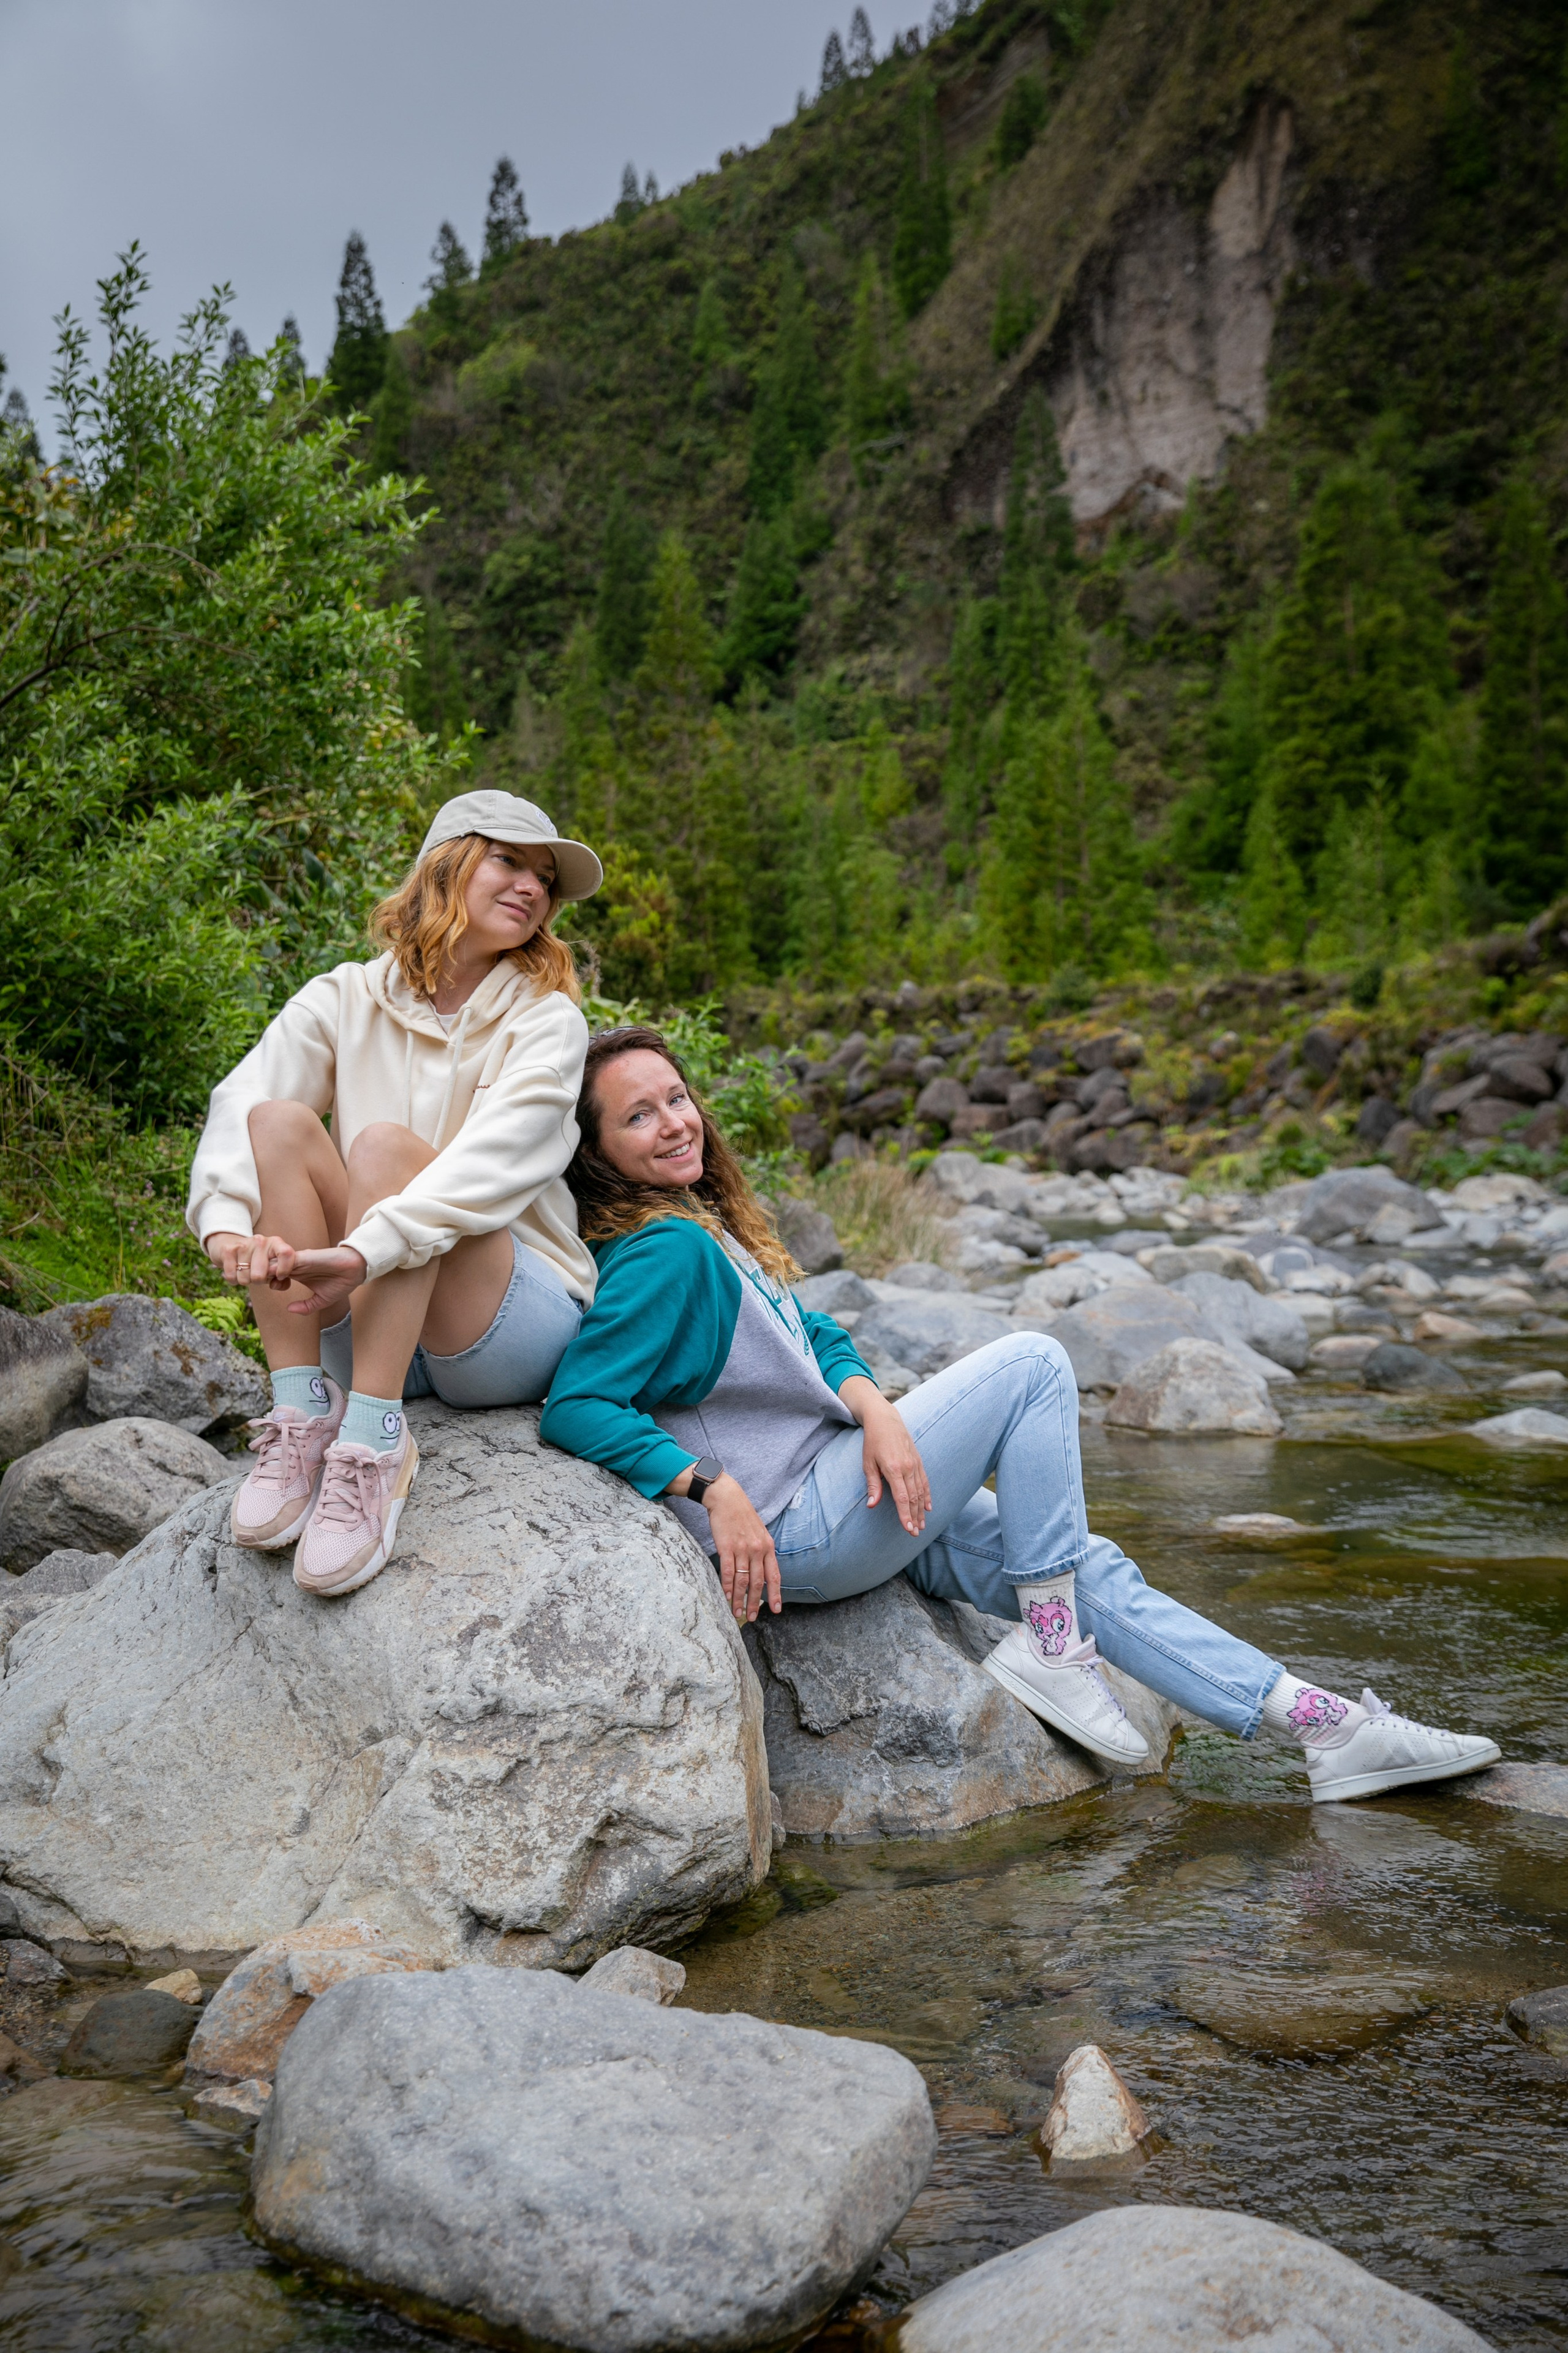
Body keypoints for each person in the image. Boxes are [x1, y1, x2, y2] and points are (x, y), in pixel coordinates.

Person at [540, 1026, 1502, 1804]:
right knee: (1037, 1363)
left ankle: (1323, 1727)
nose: (673, 1122)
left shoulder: (706, 1229)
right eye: (637, 1116)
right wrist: (711, 1487)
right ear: (601, 1154)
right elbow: (577, 1404)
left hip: (849, 1488)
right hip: (804, 1521)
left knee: (1082, 1565)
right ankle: (1052, 1647)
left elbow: (816, 1332)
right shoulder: (665, 1253)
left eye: (676, 1097)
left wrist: (874, 1404)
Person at [187, 789, 603, 1598]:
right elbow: (244, 1100)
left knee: (385, 1150)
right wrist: (226, 1228)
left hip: (501, 1328)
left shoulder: (547, 1020)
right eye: (509, 860)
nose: (532, 887)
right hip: (369, 1307)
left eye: (546, 879)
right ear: (444, 865)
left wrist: (362, 1247)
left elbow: (490, 1164)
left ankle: (374, 1442)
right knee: (277, 1122)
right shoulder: (346, 996)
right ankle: (304, 1411)